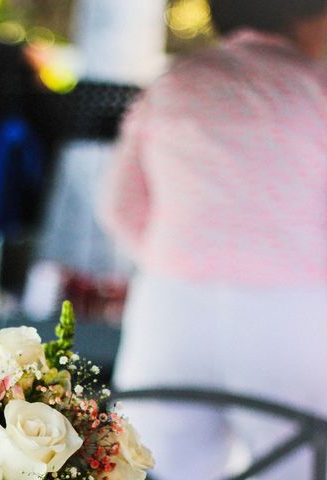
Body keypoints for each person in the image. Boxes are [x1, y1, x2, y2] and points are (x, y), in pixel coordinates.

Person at [98, 0, 327, 478]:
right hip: (294, 317)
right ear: (307, 17)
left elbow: (119, 207)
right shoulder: (318, 88)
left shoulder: (174, 85)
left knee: (158, 464)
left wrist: (177, 258)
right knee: (293, 463)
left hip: (171, 313)